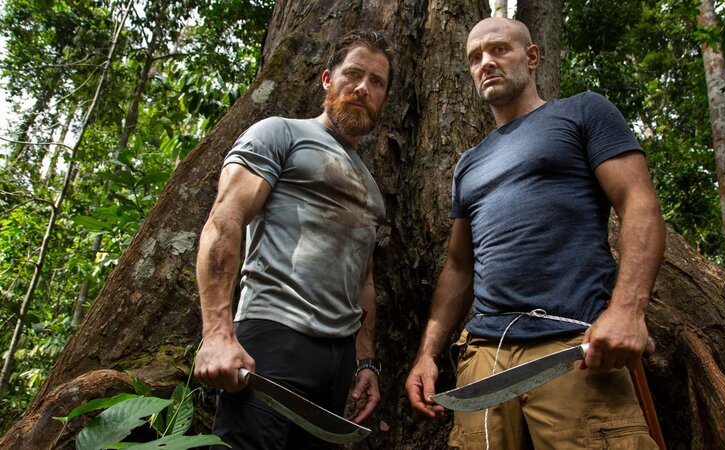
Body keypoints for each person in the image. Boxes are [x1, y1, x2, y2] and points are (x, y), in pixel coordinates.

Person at [405, 17, 666, 450]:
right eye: (475, 57)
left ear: (531, 57)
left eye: (498, 50)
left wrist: (628, 311)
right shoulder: (468, 164)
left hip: (573, 347)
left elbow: (638, 204)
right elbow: (458, 264)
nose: (486, 62)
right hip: (484, 360)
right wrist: (427, 354)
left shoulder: (583, 111)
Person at [193, 30, 393, 450]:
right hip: (272, 337)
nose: (363, 88)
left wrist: (365, 362)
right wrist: (217, 334)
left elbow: (364, 280)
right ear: (326, 79)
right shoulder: (280, 134)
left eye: (376, 82)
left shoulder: (372, 188)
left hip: (337, 362)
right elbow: (224, 219)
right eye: (353, 74)